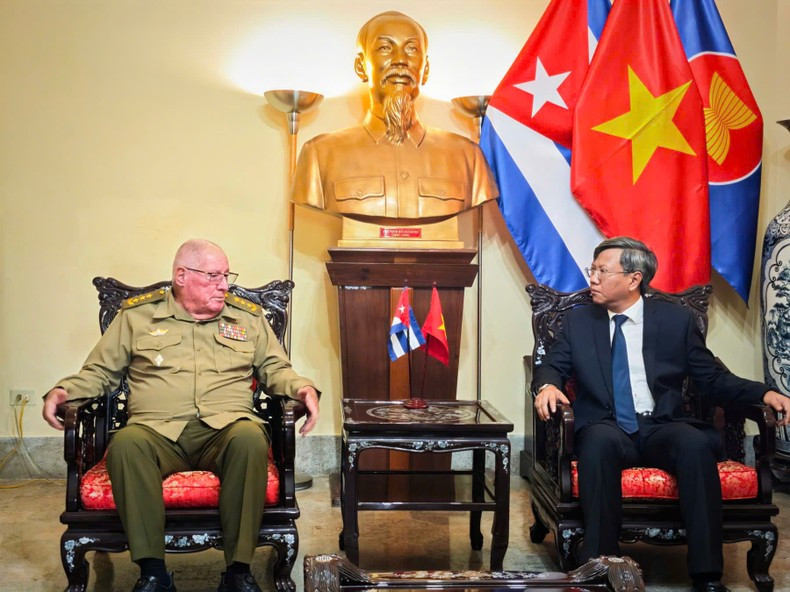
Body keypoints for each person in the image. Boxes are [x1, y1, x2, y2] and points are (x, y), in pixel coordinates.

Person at [42, 239, 320, 592]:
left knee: (250, 438)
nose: (224, 285)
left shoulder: (247, 318)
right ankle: (153, 572)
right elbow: (99, 372)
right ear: (181, 276)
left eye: (226, 275)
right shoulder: (137, 317)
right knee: (126, 444)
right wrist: (64, 391)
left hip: (226, 429)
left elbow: (275, 368)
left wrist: (302, 389)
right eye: (213, 276)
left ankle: (238, 572)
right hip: (156, 432)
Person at [532, 236, 790, 592]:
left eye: (602, 271)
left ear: (634, 278)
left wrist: (764, 392)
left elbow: (712, 377)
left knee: (695, 445)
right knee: (597, 446)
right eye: (593, 270)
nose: (592, 278)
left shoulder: (675, 321)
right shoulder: (579, 322)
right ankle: (602, 570)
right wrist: (546, 386)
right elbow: (550, 366)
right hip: (606, 425)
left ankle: (707, 576)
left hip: (661, 424)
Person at [291, 10, 498, 243]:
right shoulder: (320, 154)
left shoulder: (467, 156)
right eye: (385, 48)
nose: (400, 60)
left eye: (412, 48)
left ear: (425, 69)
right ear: (361, 66)